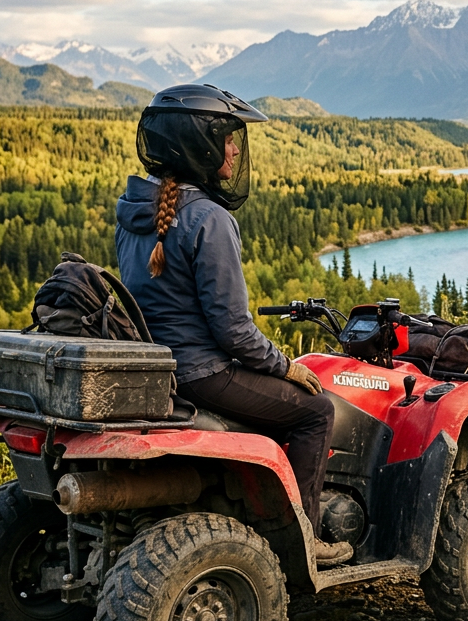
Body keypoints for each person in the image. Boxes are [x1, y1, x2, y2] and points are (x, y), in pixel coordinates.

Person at [115, 83, 352, 567]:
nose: (236, 149)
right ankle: (304, 540)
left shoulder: (134, 210)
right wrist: (284, 366)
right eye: (228, 138)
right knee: (316, 412)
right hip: (204, 373)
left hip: (162, 371)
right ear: (198, 144)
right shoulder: (208, 219)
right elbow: (233, 331)